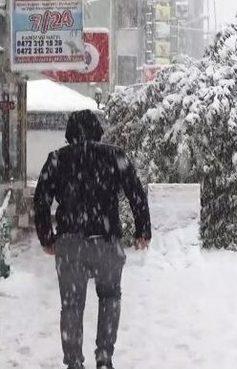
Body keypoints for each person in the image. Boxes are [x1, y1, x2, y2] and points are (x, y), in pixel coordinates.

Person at [34, 109, 151, 369]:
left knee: (72, 305)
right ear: (98, 131)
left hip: (70, 243)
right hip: (107, 241)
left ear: (69, 134)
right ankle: (104, 356)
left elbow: (41, 199)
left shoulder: (57, 159)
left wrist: (46, 237)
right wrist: (143, 229)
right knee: (110, 298)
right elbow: (136, 193)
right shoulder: (115, 156)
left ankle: (74, 362)